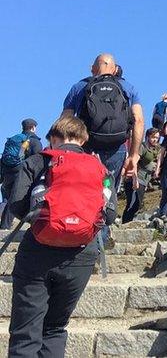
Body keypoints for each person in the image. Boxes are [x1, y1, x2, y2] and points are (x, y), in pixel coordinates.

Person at [6, 117, 110, 358]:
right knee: (54, 328)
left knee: (25, 332)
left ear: (53, 139)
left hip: (37, 252)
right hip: (81, 254)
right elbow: (110, 213)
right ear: (84, 140)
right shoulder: (99, 167)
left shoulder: (38, 161)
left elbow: (17, 206)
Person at [61, 53, 142, 232]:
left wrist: (61, 150)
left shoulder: (80, 87)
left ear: (93, 68)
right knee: (107, 192)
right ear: (114, 69)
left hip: (87, 148)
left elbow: (65, 120)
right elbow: (138, 120)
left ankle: (79, 233)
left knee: (83, 190)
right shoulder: (127, 87)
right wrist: (134, 155)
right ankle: (101, 239)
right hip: (117, 149)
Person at [1, 119, 44, 229]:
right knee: (16, 199)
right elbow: (38, 160)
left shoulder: (14, 139)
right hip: (22, 173)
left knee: (9, 199)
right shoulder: (34, 141)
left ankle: (4, 225)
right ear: (33, 127)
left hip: (8, 173)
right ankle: (6, 226)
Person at [123, 128, 160, 224]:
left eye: (157, 138)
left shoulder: (155, 149)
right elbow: (134, 163)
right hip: (136, 177)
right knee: (133, 203)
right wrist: (135, 179)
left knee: (138, 204)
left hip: (145, 179)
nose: (155, 139)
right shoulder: (142, 147)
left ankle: (128, 222)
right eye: (153, 137)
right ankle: (125, 223)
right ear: (148, 137)